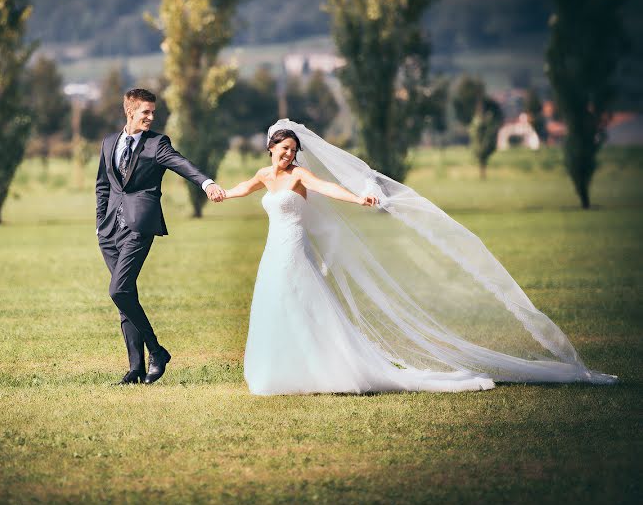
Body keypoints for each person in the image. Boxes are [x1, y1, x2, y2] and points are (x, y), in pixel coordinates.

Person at [216, 119, 618, 395]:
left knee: (304, 303)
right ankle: (280, 372)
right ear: (270, 148)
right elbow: (239, 189)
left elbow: (329, 188)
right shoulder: (265, 176)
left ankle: (330, 368)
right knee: (274, 304)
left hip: (294, 248)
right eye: (282, 149)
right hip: (274, 251)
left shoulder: (300, 176)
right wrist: (214, 190)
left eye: (291, 150)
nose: (286, 155)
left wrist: (358, 197)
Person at [95, 88, 226, 385]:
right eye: (146, 112)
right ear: (130, 112)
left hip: (140, 225)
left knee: (118, 290)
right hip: (109, 231)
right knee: (126, 296)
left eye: (153, 112)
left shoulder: (157, 144)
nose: (151, 118)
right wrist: (100, 222)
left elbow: (181, 163)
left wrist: (206, 183)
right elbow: (103, 185)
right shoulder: (108, 143)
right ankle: (135, 368)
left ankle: (156, 350)